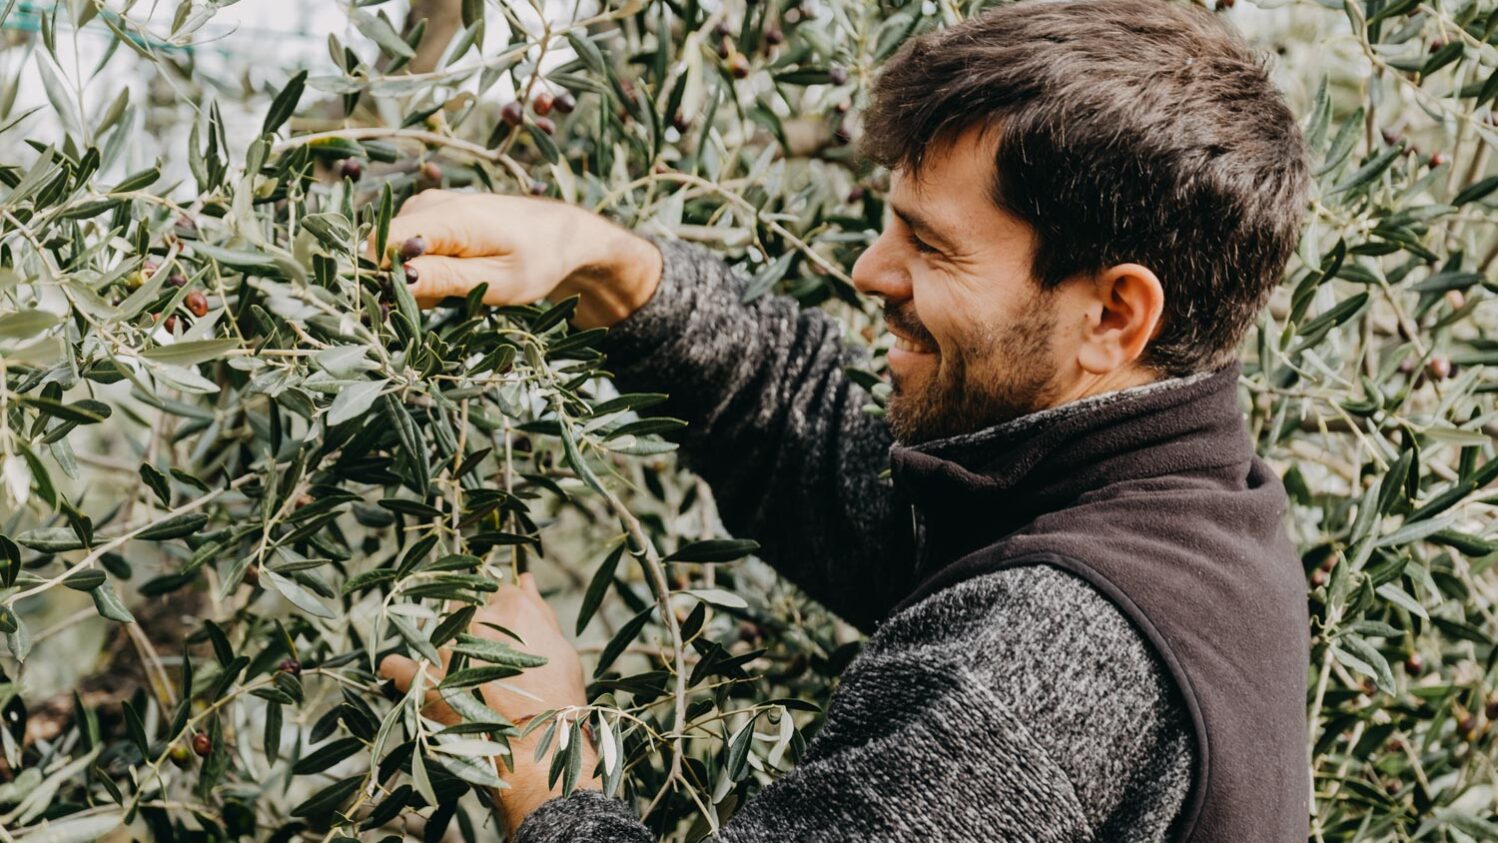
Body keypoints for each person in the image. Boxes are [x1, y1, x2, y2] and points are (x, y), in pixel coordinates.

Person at [376, 0, 1313, 839]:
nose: (871, 270)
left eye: (930, 246)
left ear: (1113, 315)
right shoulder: (1196, 516)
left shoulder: (1040, 652)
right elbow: (826, 455)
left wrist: (548, 766)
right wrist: (611, 268)